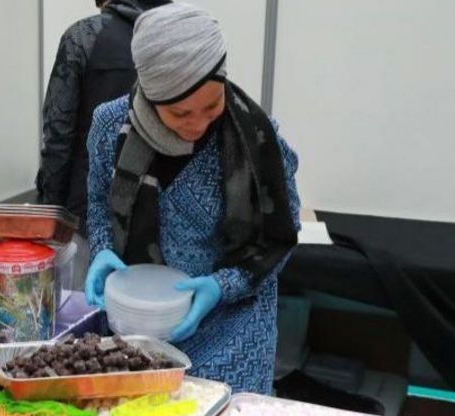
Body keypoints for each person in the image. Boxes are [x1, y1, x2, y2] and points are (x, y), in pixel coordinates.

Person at [83, 3, 301, 394]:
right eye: (180, 113)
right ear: (150, 95)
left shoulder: (256, 142)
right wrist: (100, 247)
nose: (198, 123)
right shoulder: (109, 127)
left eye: (212, 106)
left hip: (233, 337)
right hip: (138, 334)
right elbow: (99, 202)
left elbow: (280, 237)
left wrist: (222, 286)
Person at [37, 0, 170, 287]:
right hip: (163, 222)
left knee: (85, 318)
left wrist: (51, 216)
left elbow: (58, 134)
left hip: (86, 215)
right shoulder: (179, 37)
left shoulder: (84, 37)